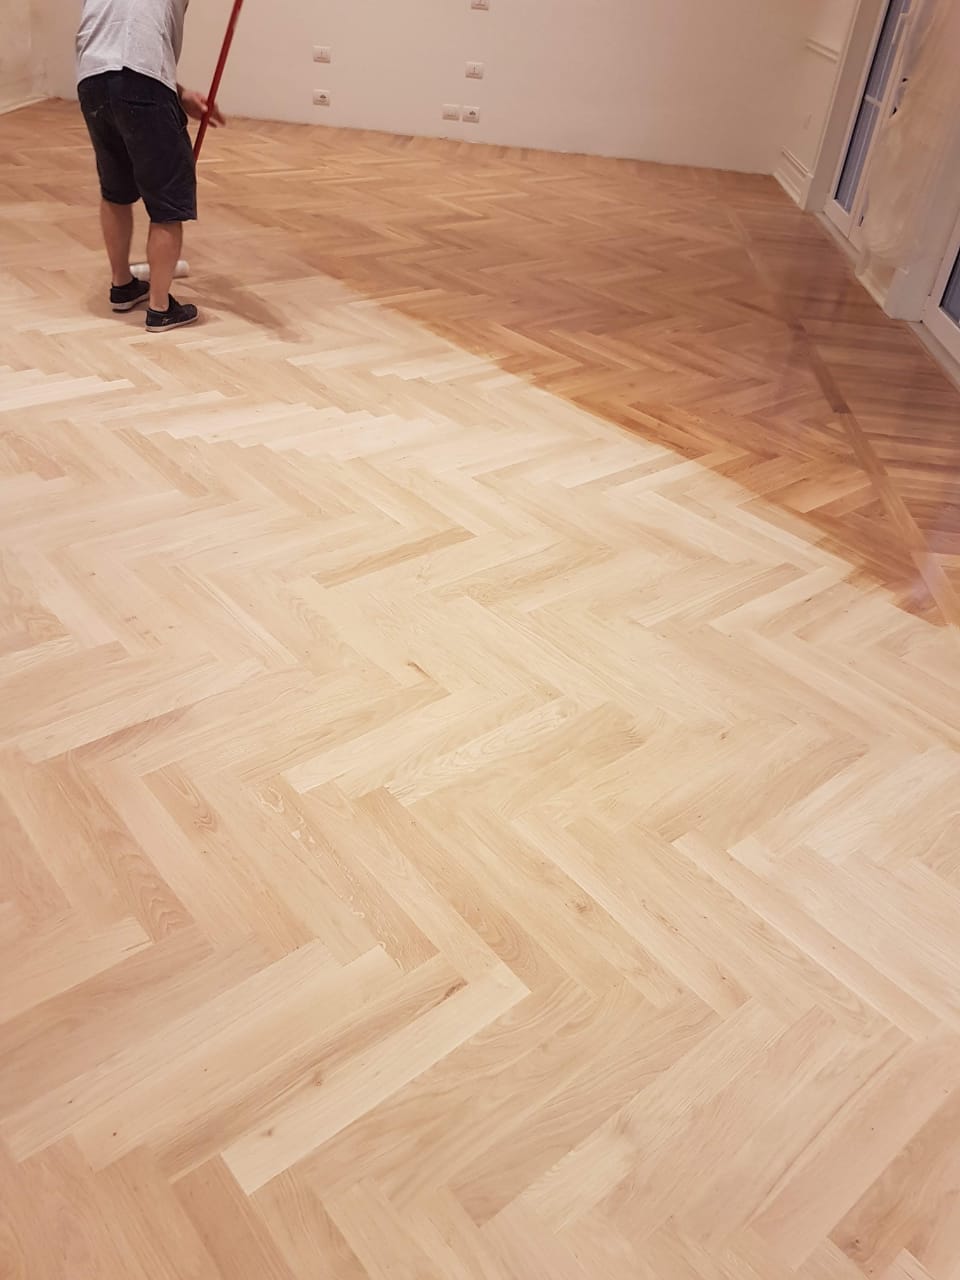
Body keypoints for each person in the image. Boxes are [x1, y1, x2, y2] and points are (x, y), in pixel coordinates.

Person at [76, 0, 224, 332]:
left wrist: (178, 94)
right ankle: (160, 307)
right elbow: (135, 58)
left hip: (91, 79)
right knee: (168, 201)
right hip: (142, 77)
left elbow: (122, 47)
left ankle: (122, 284)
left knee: (115, 190)